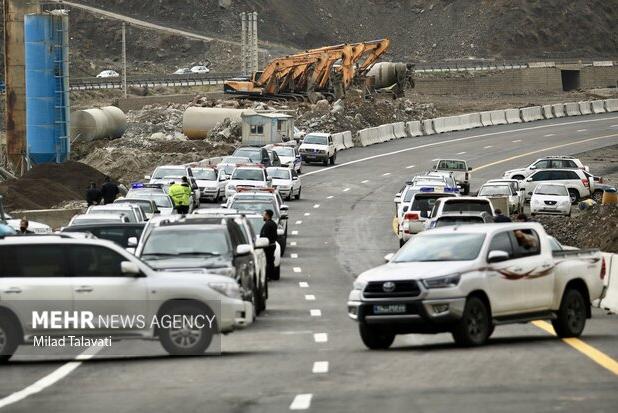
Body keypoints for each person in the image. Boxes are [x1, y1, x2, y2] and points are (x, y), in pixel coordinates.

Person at [260, 209, 278, 280]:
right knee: (270, 260)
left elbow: (265, 236)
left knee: (267, 261)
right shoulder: (273, 223)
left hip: (268, 245)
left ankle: (268, 276)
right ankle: (271, 275)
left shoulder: (268, 225)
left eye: (264, 214)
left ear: (267, 215)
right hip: (272, 244)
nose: (263, 216)